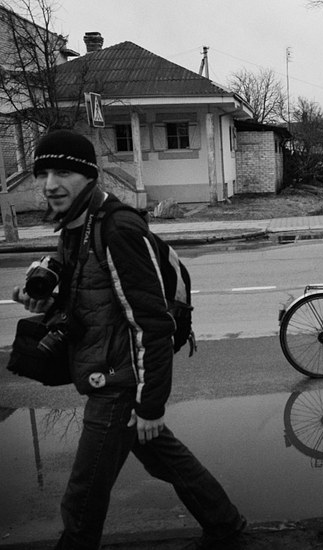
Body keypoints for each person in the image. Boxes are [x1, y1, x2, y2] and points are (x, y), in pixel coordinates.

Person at [12, 129, 246, 550]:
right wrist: (44, 300)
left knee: (84, 493)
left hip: (119, 380)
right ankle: (225, 524)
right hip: (109, 368)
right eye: (43, 174)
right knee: (165, 458)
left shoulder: (118, 229)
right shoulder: (75, 227)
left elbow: (152, 323)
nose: (50, 184)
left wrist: (150, 404)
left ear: (89, 176)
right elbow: (89, 300)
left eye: (63, 172)